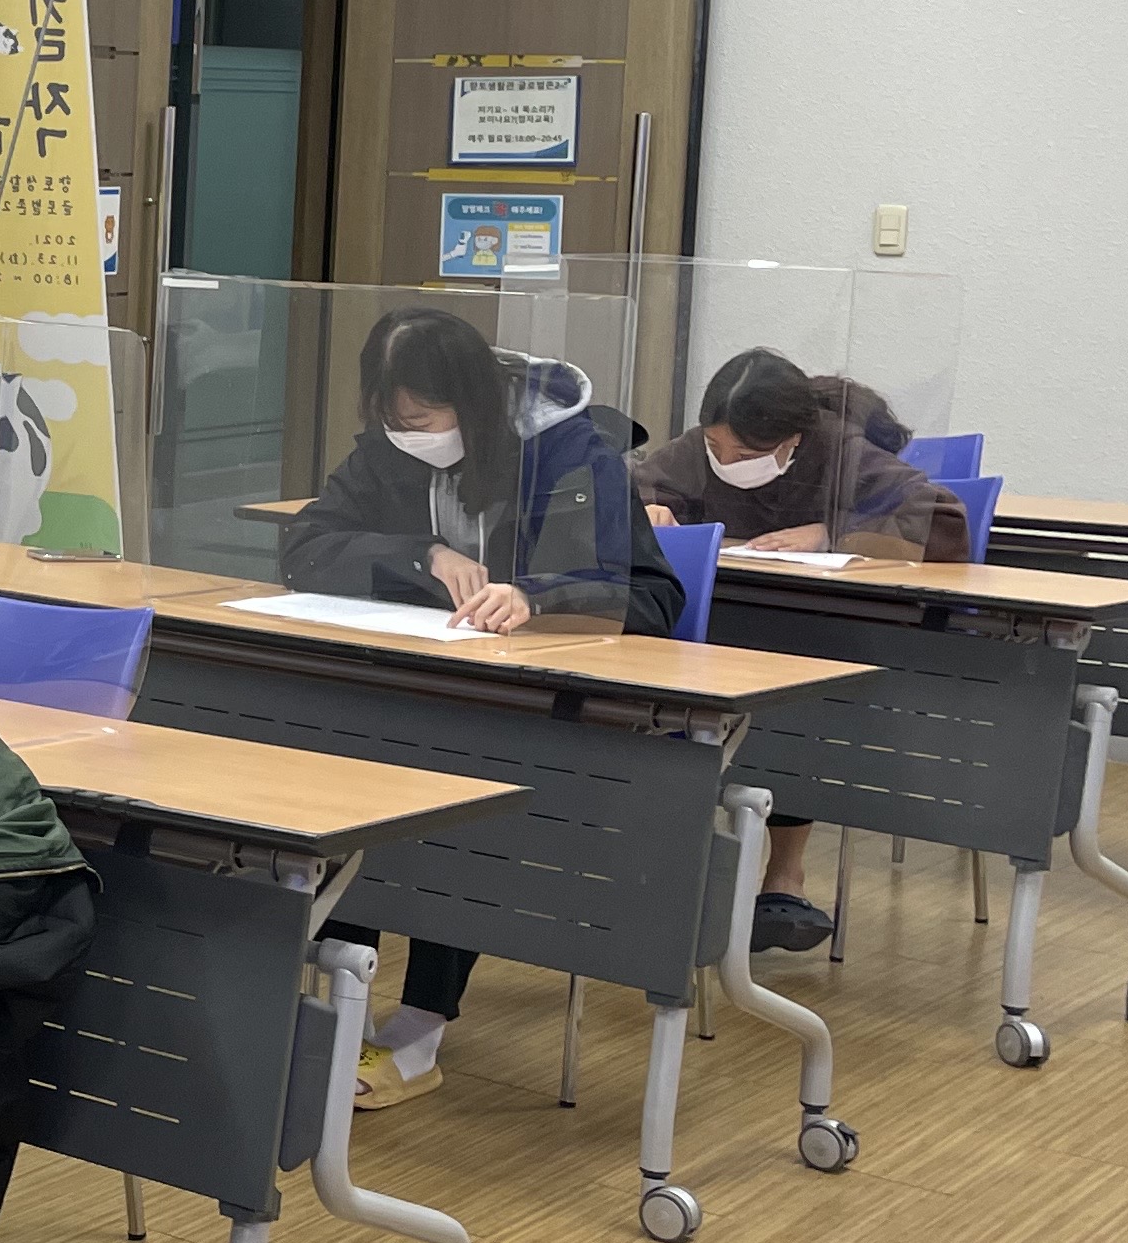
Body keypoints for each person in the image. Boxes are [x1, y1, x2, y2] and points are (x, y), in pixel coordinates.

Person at [285, 308, 677, 1107]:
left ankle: (419, 1025)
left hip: (543, 716)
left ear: (474, 405)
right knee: (339, 778)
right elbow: (305, 549)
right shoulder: (391, 446)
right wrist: (422, 556)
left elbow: (651, 599)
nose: (408, 436)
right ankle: (342, 1007)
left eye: (424, 420)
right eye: (394, 419)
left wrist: (537, 598)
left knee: (458, 795)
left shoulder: (574, 453)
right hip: (419, 691)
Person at [631, 350, 970, 951]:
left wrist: (831, 534)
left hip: (820, 632)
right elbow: (628, 490)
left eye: (747, 454)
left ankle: (783, 874)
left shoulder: (839, 451)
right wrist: (647, 513)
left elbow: (942, 521)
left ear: (792, 440)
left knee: (796, 719)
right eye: (716, 446)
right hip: (726, 624)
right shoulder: (697, 450)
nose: (726, 461)